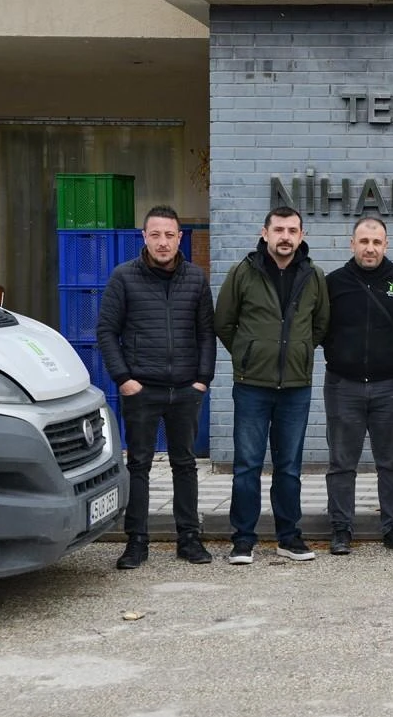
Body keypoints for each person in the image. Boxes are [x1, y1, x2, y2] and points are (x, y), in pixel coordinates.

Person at [97, 205, 215, 569]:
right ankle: (137, 541)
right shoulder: (124, 277)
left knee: (185, 464)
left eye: (169, 235)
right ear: (144, 238)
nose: (163, 242)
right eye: (155, 235)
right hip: (141, 389)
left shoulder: (195, 279)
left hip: (184, 389)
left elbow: (206, 334)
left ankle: (189, 538)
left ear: (180, 238)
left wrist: (201, 380)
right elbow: (106, 331)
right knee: (140, 465)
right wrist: (124, 379)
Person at [214, 206, 329, 565]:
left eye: (292, 230)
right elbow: (224, 322)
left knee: (289, 466)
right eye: (279, 230)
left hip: (296, 386)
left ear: (302, 235)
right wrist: (248, 355)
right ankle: (243, 539)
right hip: (252, 386)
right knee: (247, 464)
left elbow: (320, 325)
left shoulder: (313, 275)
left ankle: (288, 537)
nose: (285, 237)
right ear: (265, 234)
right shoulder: (243, 273)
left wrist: (296, 353)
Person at [322, 217, 393, 556]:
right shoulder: (333, 283)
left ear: (386, 245)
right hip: (342, 385)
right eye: (364, 241)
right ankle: (341, 529)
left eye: (377, 242)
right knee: (341, 463)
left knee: (391, 463)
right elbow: (318, 330)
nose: (370, 248)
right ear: (352, 244)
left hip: (391, 387)